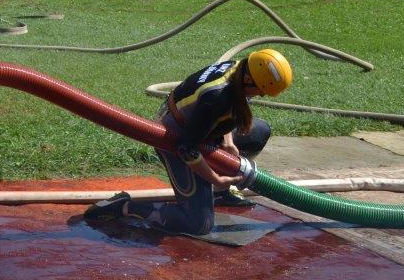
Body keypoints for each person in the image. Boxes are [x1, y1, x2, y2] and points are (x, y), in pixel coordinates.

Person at [86, 49, 294, 236]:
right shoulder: (218, 97)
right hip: (174, 138)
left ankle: (218, 195)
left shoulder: (240, 69)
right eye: (261, 90)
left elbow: (225, 110)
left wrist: (227, 140)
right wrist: (215, 178)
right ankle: (123, 206)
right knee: (198, 224)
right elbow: (186, 148)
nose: (261, 95)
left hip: (199, 129)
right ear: (249, 79)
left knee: (259, 132)